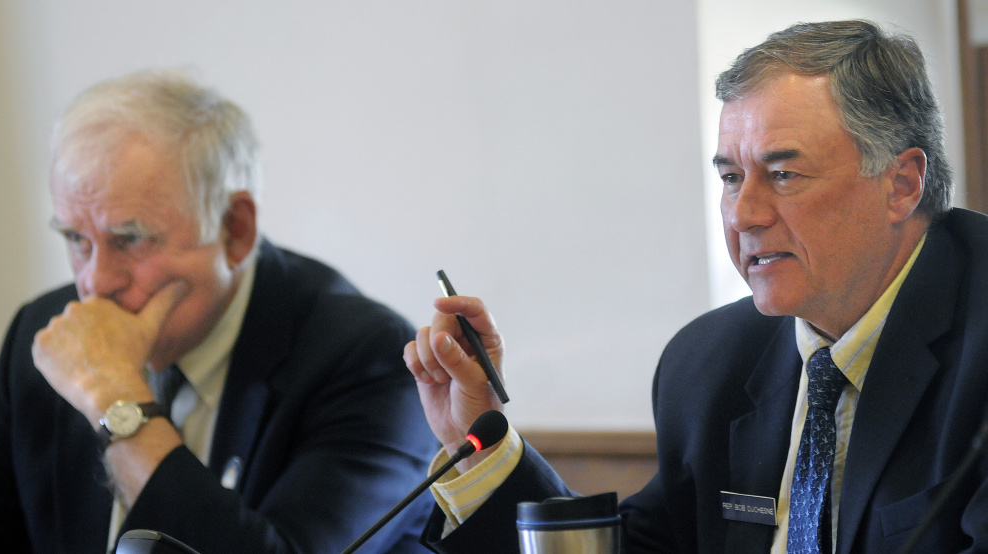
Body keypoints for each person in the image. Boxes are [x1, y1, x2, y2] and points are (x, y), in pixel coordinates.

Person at [403, 20, 988, 553]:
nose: (744, 214)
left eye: (783, 174)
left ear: (901, 184)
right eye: (732, 177)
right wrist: (478, 441)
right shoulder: (711, 364)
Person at [0, 69, 439, 554]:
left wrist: (116, 402)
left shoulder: (368, 360)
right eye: (76, 238)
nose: (95, 283)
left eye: (131, 239)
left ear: (235, 230)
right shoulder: (45, 339)